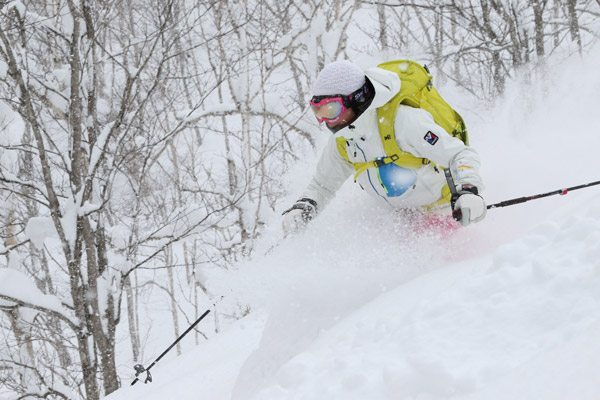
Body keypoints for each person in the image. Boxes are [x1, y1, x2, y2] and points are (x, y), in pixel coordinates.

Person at [282, 60, 486, 234]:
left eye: (331, 109)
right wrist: (304, 207)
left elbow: (459, 154)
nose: (326, 120)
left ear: (357, 100)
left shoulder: (403, 122)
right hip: (401, 222)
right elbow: (323, 185)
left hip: (446, 213)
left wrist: (468, 191)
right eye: (318, 111)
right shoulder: (342, 141)